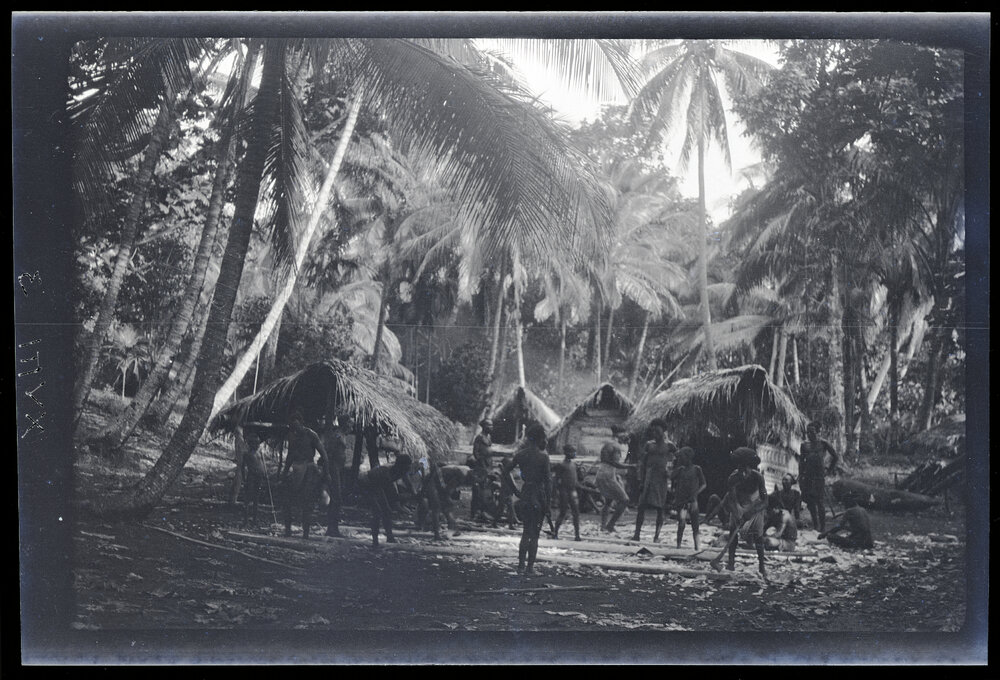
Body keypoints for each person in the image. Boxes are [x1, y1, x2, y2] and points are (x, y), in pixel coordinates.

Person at [710, 447, 769, 578]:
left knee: (758, 537)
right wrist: (737, 512)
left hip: (756, 505)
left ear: (751, 467)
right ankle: (731, 563)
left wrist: (752, 511)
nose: (743, 472)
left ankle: (761, 567)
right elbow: (731, 499)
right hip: (738, 505)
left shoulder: (758, 478)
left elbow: (765, 501)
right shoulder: (732, 478)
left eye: (746, 469)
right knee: (733, 532)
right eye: (740, 468)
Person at [502, 422, 552, 575]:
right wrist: (548, 504)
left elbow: (505, 471)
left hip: (525, 493)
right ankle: (530, 568)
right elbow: (548, 482)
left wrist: (515, 490)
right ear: (540, 438)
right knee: (534, 535)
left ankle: (520, 567)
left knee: (525, 532)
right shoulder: (544, 457)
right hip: (538, 495)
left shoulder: (521, 454)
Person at [279, 410, 330, 539]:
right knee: (287, 500)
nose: (295, 428)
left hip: (309, 469)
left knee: (307, 502)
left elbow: (323, 454)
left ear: (302, 423)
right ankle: (288, 530)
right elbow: (290, 456)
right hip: (296, 468)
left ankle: (306, 534)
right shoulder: (292, 436)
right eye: (292, 426)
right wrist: (284, 472)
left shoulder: (311, 435)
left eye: (297, 425)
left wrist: (326, 472)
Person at [632, 420, 675, 543]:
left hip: (661, 478)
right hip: (649, 478)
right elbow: (643, 464)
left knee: (660, 508)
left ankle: (656, 536)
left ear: (663, 430)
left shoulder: (670, 446)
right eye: (653, 430)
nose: (654, 432)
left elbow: (676, 460)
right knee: (641, 506)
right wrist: (641, 480)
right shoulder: (649, 445)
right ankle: (637, 534)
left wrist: (671, 473)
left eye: (657, 430)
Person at [358, 453, 413, 548]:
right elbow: (392, 496)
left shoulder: (402, 471)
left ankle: (390, 536)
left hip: (378, 484)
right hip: (367, 483)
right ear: (401, 465)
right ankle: (375, 542)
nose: (408, 468)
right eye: (407, 466)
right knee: (378, 511)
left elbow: (409, 485)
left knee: (387, 511)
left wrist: (414, 494)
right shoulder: (387, 472)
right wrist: (407, 497)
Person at [798, 421, 840, 532]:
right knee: (810, 502)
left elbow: (835, 457)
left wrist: (829, 470)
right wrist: (800, 476)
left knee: (820, 502)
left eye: (812, 432)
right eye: (808, 432)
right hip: (807, 477)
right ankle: (815, 525)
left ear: (818, 432)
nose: (809, 435)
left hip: (819, 477)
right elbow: (801, 462)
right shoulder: (804, 445)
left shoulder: (823, 444)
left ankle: (822, 527)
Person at [320, 414, 352, 537]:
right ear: (345, 423)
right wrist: (327, 471)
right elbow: (329, 453)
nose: (351, 425)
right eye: (349, 423)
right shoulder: (337, 435)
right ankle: (331, 529)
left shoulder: (343, 435)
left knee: (337, 498)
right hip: (334, 468)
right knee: (336, 498)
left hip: (339, 468)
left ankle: (334, 528)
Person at [671, 446, 707, 550]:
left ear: (688, 457)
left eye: (682, 457)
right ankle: (678, 546)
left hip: (693, 500)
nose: (681, 459)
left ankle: (697, 546)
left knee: (695, 525)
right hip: (682, 500)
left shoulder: (696, 469)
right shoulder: (680, 470)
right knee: (681, 523)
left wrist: (696, 493)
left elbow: (704, 484)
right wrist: (677, 465)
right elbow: (671, 476)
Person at [596, 442, 635, 534]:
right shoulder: (610, 446)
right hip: (606, 475)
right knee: (625, 500)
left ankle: (603, 526)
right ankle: (610, 525)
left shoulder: (613, 446)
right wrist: (629, 466)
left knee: (608, 501)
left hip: (607, 474)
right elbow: (612, 463)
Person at [415, 459, 457, 540]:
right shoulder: (436, 474)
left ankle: (449, 530)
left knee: (444, 509)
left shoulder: (436, 475)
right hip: (429, 495)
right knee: (436, 510)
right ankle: (436, 533)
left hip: (432, 493)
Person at [552, 445, 586, 542]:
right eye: (572, 452)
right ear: (566, 453)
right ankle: (555, 532)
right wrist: (555, 495)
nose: (574, 454)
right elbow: (556, 480)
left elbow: (578, 479)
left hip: (572, 491)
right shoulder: (561, 465)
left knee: (576, 513)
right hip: (564, 491)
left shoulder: (574, 465)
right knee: (562, 513)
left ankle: (577, 535)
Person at [470, 418, 494, 523]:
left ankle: (484, 512)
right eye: (489, 425)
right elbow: (476, 452)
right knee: (478, 490)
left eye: (492, 425)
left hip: (488, 465)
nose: (491, 427)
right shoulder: (479, 438)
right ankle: (475, 513)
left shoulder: (489, 437)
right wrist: (482, 463)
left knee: (486, 490)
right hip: (481, 467)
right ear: (484, 426)